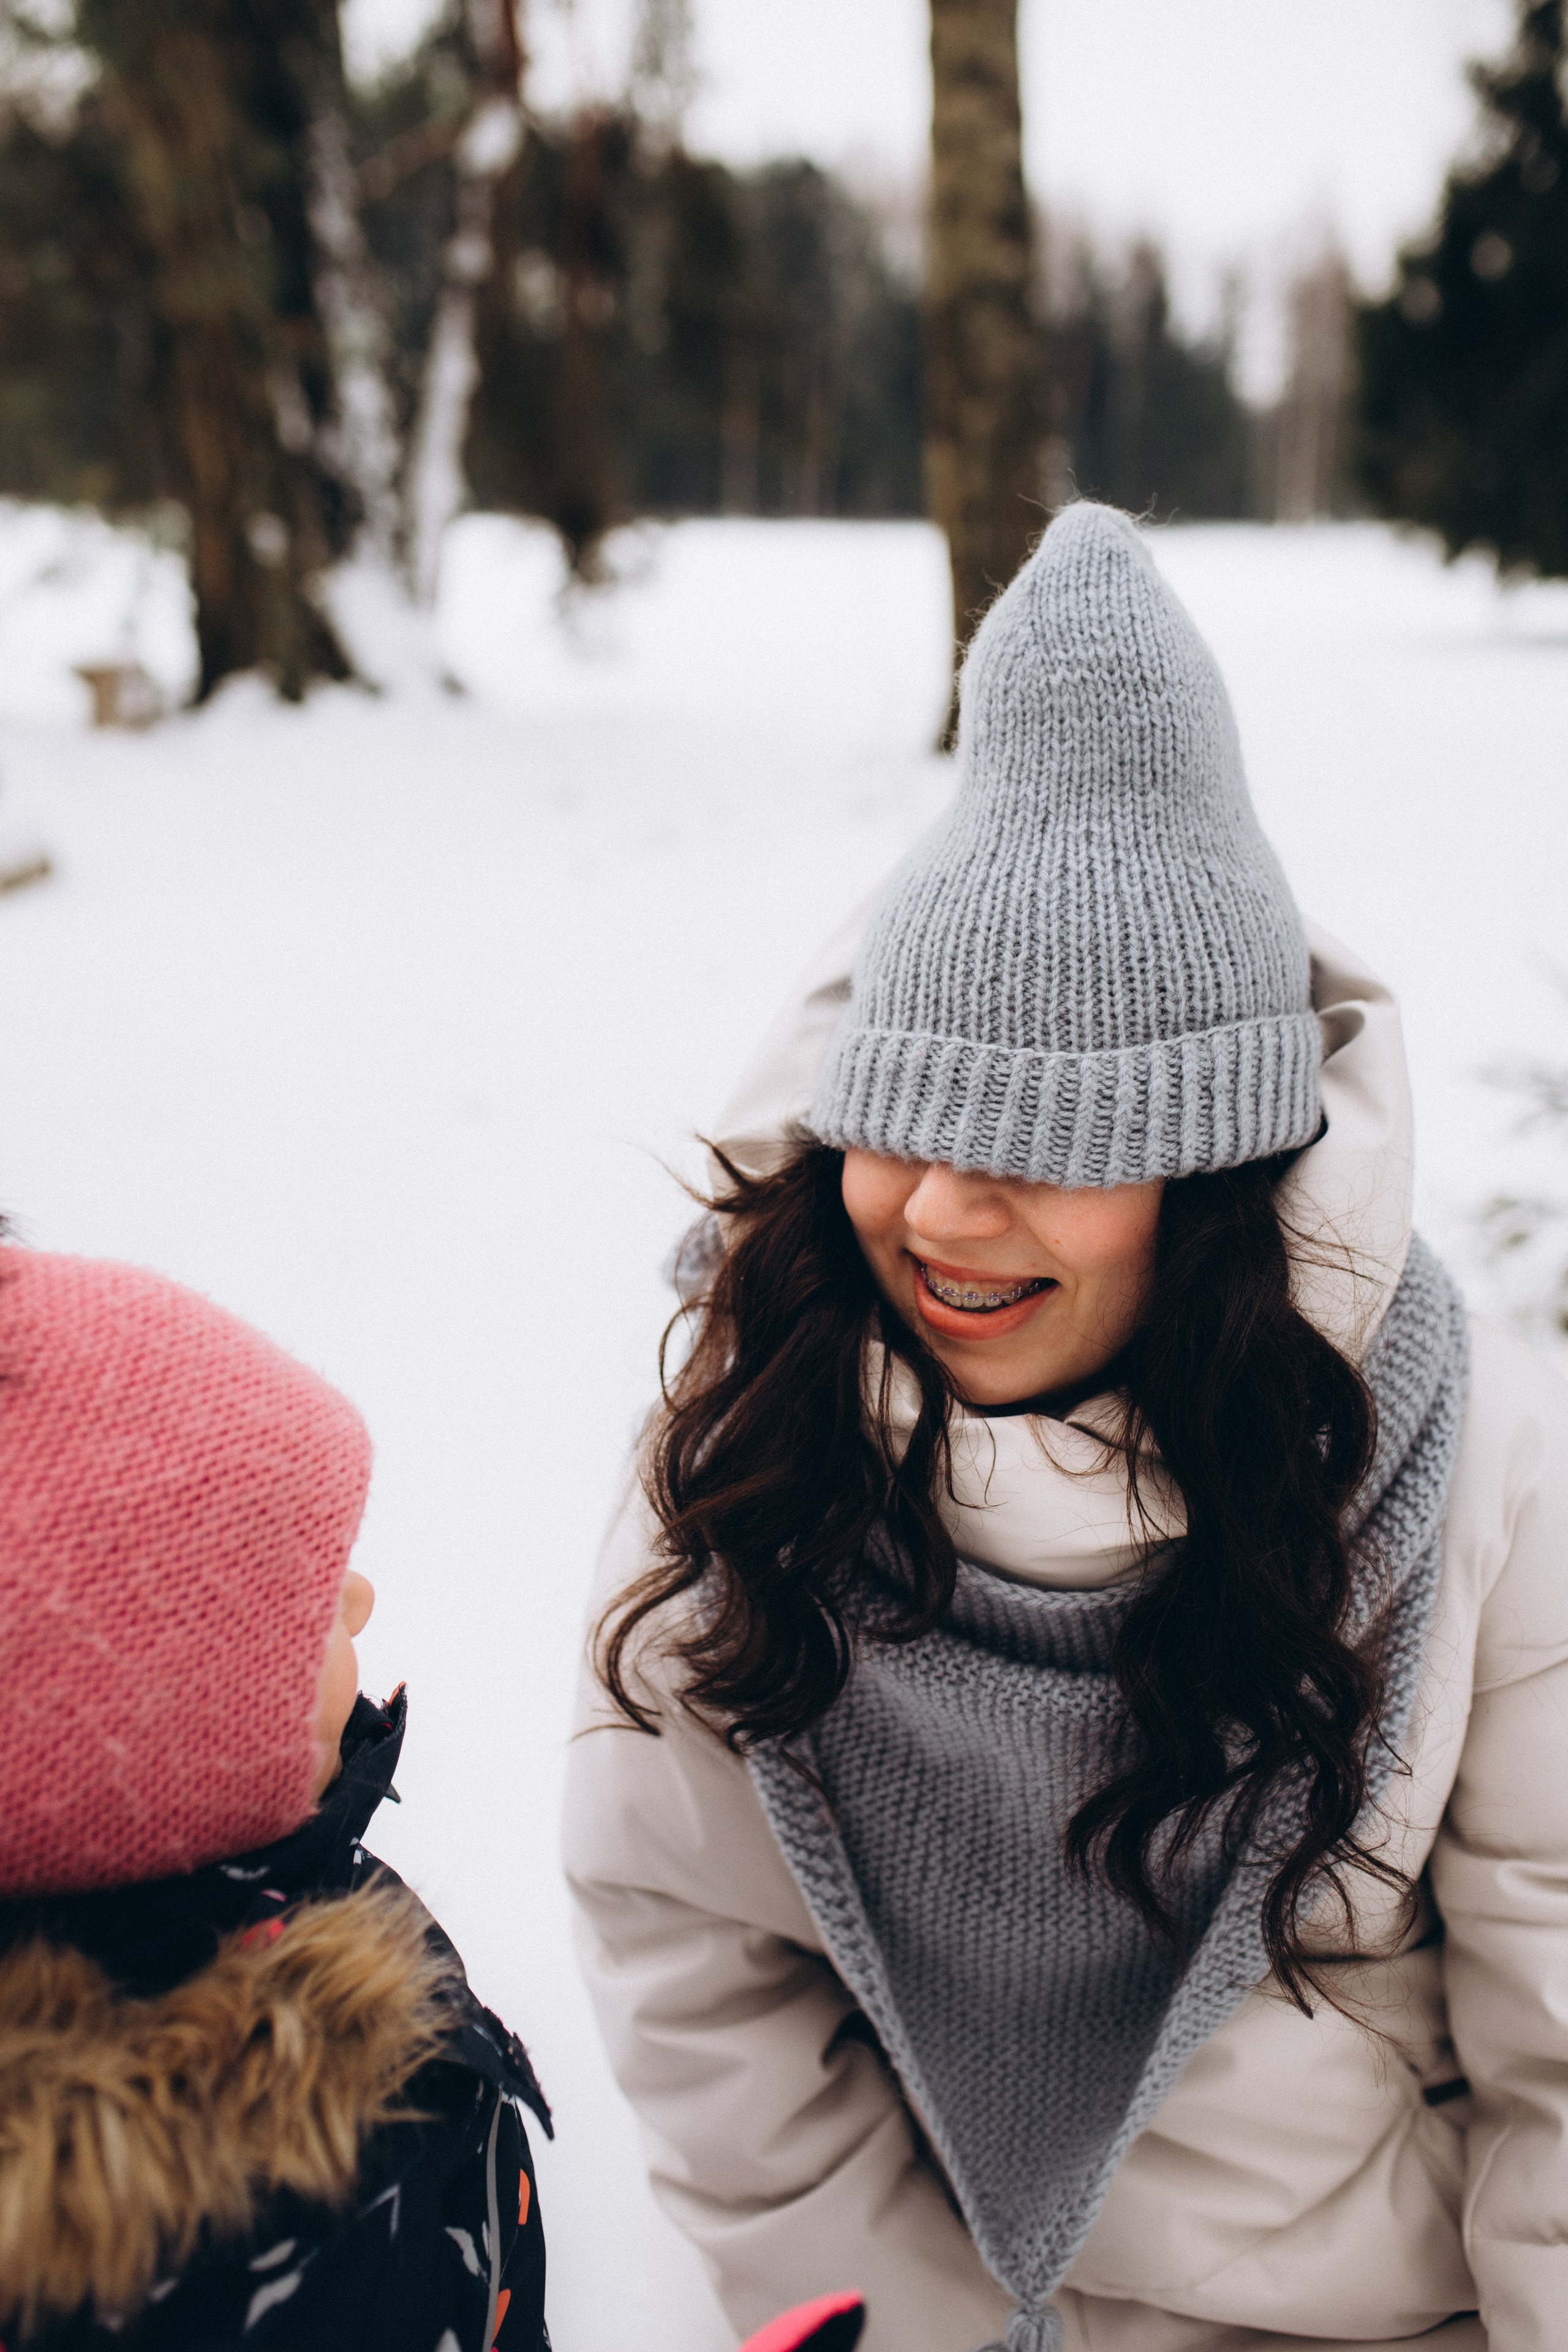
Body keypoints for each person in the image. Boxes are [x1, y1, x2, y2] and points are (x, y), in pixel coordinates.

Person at [564, 502, 1568, 2352]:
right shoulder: (759, 1438)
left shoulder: (1458, 1452)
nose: (942, 1216)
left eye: (1046, 1148)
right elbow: (699, 1965)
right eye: (911, 1122)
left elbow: (1560, 2038)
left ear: (1205, 1181)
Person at [0, 1249, 550, 2350]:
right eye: (294, 1606)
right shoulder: (198, 2259)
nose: (357, 1593)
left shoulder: (269, 1882)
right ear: (145, 1753)